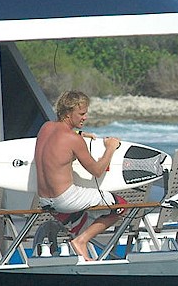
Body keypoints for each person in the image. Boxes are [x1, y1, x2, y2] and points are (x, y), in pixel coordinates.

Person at [35, 90, 125, 261]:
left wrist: (79, 135)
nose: (85, 117)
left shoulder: (45, 128)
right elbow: (97, 170)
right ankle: (81, 242)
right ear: (68, 113)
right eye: (82, 114)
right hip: (65, 200)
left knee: (79, 217)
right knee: (120, 206)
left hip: (44, 200)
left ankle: (80, 244)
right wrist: (111, 147)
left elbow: (57, 144)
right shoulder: (73, 140)